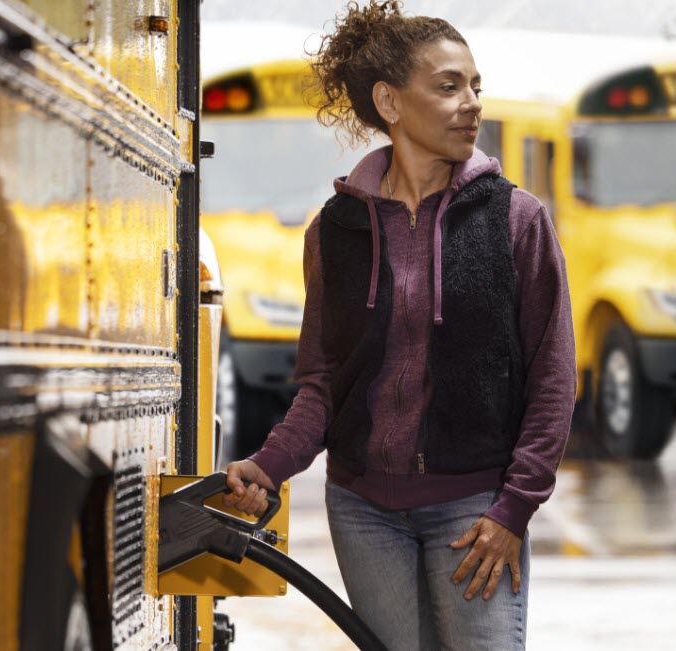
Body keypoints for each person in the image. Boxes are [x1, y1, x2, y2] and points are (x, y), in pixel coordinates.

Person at [220, 2, 575, 649]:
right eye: (448, 86)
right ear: (390, 101)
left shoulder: (516, 219)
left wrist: (514, 508)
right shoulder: (335, 230)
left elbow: (553, 378)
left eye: (475, 86)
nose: (471, 103)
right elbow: (324, 382)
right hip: (363, 511)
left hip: (475, 504)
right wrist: (269, 464)